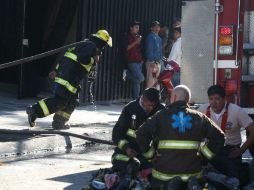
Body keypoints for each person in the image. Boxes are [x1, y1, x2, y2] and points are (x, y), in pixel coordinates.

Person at [136, 85, 225, 189]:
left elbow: (141, 134)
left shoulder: (160, 116)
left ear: (173, 97)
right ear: (188, 99)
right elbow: (219, 137)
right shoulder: (199, 117)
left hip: (163, 176)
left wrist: (150, 155)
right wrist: (204, 156)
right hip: (192, 174)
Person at [26, 30, 112, 130]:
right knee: (60, 101)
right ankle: (34, 110)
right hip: (69, 77)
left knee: (73, 100)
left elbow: (65, 57)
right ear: (102, 43)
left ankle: (59, 123)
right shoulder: (91, 46)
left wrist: (55, 70)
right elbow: (83, 59)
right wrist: (93, 60)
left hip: (68, 76)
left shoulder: (82, 44)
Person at [198, 85, 254, 181]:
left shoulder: (236, 111)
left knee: (233, 180)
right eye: (211, 99)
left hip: (230, 150)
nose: (213, 103)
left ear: (225, 99)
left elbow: (253, 131)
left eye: (217, 99)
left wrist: (241, 150)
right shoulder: (202, 110)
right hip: (209, 149)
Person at [111, 88, 164, 175]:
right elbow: (116, 134)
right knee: (126, 165)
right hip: (128, 152)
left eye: (152, 105)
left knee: (155, 169)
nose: (150, 108)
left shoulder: (161, 110)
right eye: (147, 105)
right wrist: (126, 148)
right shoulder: (130, 108)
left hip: (148, 155)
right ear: (142, 99)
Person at [122, 21, 144, 99]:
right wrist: (136, 42)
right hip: (131, 61)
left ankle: (136, 99)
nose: (137, 29)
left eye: (138, 28)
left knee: (137, 81)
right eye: (136, 27)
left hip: (139, 61)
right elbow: (126, 48)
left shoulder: (137, 36)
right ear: (131, 28)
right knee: (141, 78)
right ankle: (127, 74)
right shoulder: (126, 36)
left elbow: (139, 49)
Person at [145, 21, 163, 89]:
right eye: (155, 27)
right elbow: (149, 50)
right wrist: (152, 61)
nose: (157, 28)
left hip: (157, 62)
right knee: (151, 83)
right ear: (151, 28)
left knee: (156, 82)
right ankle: (147, 98)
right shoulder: (150, 37)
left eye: (158, 27)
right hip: (152, 62)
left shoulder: (158, 37)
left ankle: (154, 98)